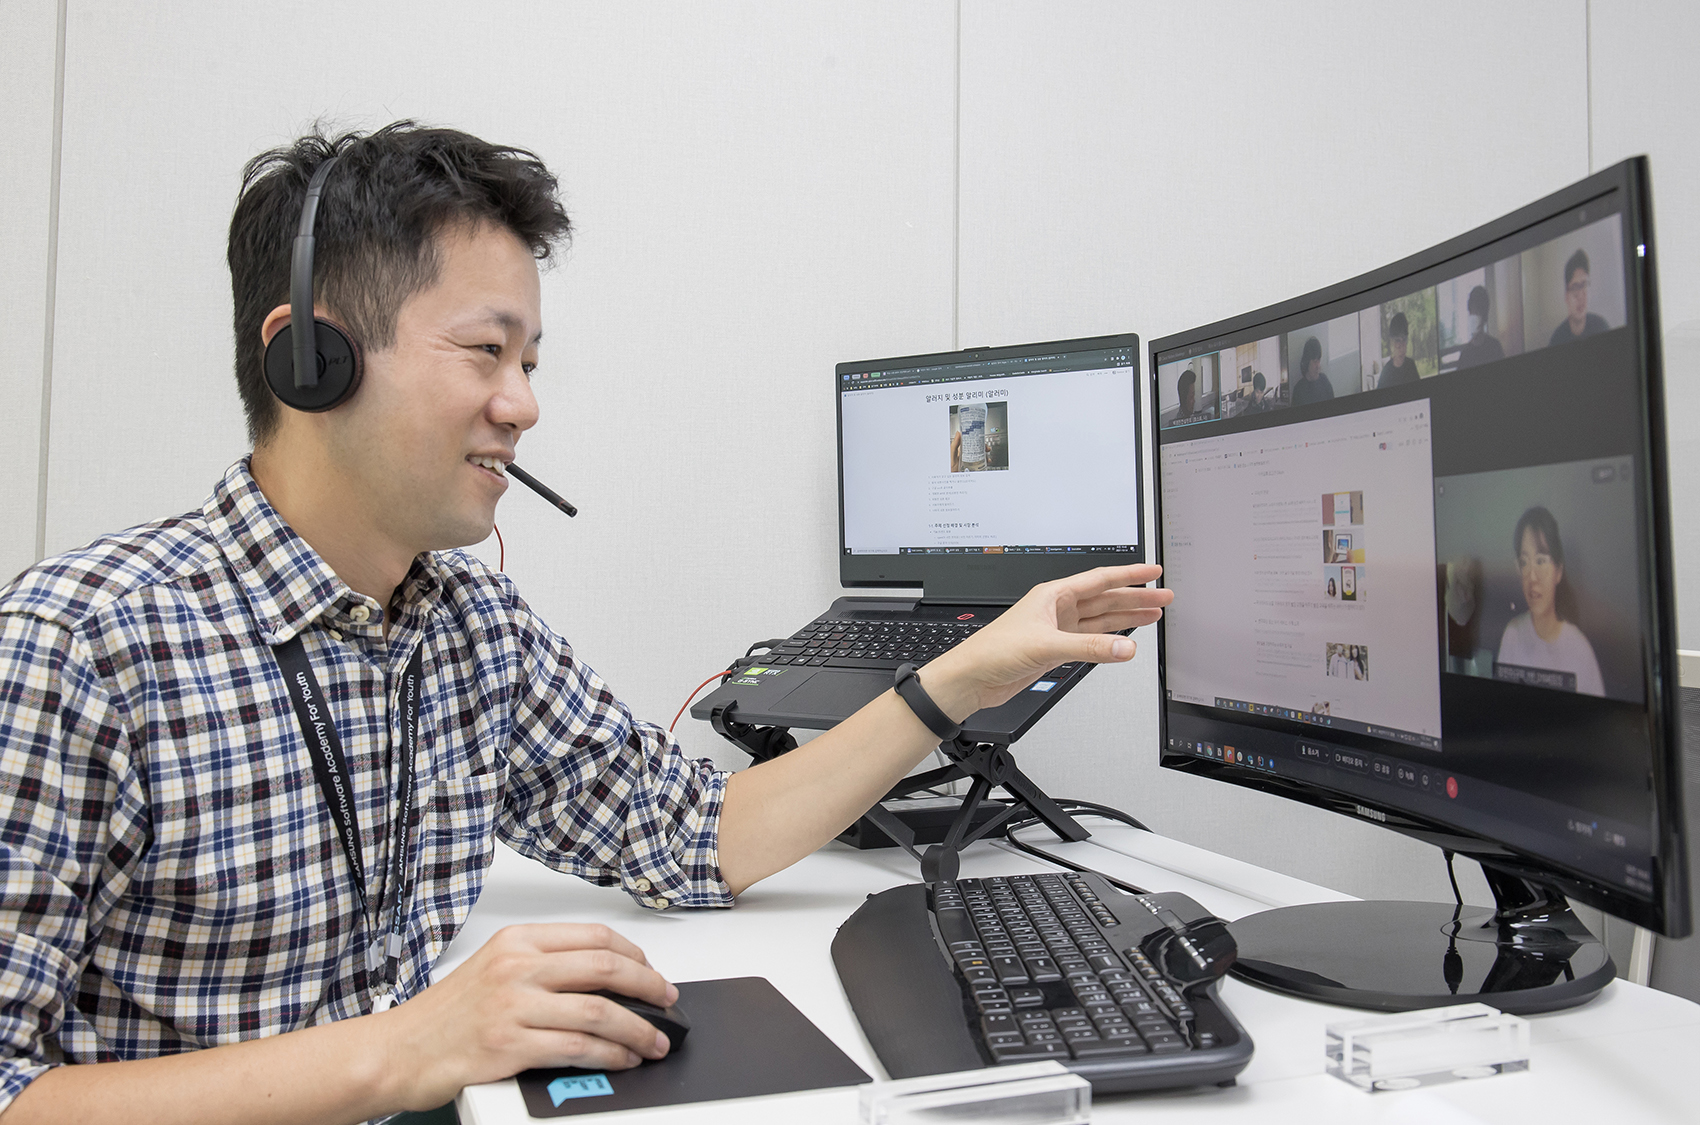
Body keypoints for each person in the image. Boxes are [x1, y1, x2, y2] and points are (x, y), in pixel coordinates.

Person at [0, 123, 1174, 1124]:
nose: (523, 405)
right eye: (486, 352)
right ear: (309, 358)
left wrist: (962, 675)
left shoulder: (470, 628)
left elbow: (695, 837)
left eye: (529, 360)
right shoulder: (77, 648)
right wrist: (407, 1050)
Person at [1495, 506, 1605, 696]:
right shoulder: (1512, 634)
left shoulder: (1579, 649)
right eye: (1524, 562)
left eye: (1540, 561)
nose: (1532, 577)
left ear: (1558, 571)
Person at [1548, 249, 1610, 345]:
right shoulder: (1556, 339)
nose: (1581, 296)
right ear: (1566, 296)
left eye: (1584, 285)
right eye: (1575, 287)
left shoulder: (1602, 327)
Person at [1455, 285, 1505, 369]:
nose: (1473, 319)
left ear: (1484, 316)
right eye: (1472, 313)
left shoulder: (1495, 348)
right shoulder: (1465, 355)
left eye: (1477, 313)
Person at [1377, 311, 1420, 387]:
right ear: (1392, 342)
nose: (1402, 346)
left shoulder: (1411, 366)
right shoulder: (1386, 371)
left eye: (1404, 339)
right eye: (1398, 340)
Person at [1289, 336, 1334, 407]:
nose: (1318, 366)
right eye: (1315, 361)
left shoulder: (1324, 381)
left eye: (1319, 360)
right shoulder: (1299, 390)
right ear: (1307, 362)